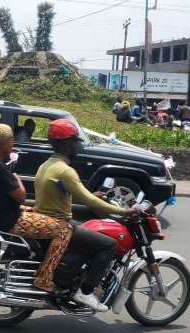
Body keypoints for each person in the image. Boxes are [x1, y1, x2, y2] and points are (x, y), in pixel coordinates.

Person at [33, 119, 138, 312]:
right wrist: (124, 210)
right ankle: (86, 291)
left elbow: (62, 195)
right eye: (75, 141)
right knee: (109, 244)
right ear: (66, 144)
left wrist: (92, 196)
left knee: (90, 231)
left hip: (47, 220)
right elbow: (90, 202)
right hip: (60, 224)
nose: (77, 145)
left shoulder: (47, 165)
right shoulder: (65, 170)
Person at [0, 124, 73, 294]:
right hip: (8, 221)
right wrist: (17, 179)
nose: (13, 144)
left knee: (37, 212)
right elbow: (21, 195)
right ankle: (44, 279)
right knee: (64, 230)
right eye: (12, 140)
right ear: (5, 144)